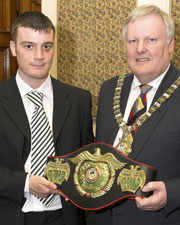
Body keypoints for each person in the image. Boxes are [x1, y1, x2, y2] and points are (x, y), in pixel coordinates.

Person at [0, 11, 94, 225]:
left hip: (65, 216)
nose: (39, 56)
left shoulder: (79, 100)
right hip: (10, 215)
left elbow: (87, 161)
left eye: (47, 46)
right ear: (14, 48)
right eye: (29, 46)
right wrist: (24, 183)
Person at [93, 4, 180, 225]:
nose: (140, 48)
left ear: (170, 44)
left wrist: (172, 193)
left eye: (151, 40)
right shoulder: (109, 89)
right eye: (133, 41)